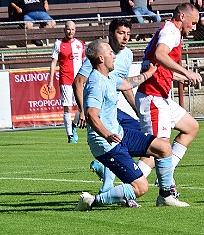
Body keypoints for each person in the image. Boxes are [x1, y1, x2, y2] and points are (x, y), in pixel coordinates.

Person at [73, 39, 177, 211]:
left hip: (120, 134)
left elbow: (128, 83)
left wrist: (150, 72)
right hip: (106, 144)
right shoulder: (95, 83)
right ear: (100, 58)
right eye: (110, 54)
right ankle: (94, 201)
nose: (114, 56)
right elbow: (91, 114)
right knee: (141, 188)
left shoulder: (109, 77)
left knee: (163, 147)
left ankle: (166, 196)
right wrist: (106, 134)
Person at [73, 18, 155, 197]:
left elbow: (123, 84)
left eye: (128, 34)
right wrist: (81, 111)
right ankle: (114, 185)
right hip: (102, 110)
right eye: (120, 33)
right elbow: (78, 82)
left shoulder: (127, 55)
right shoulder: (99, 54)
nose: (125, 38)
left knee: (144, 133)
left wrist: (137, 110)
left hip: (113, 109)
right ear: (111, 35)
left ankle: (122, 176)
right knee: (114, 141)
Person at [135, 3, 203, 207]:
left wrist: (176, 77)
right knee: (157, 148)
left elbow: (157, 64)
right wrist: (185, 72)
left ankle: (167, 173)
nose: (194, 27)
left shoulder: (171, 31)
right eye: (193, 22)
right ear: (182, 16)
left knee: (191, 127)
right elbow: (160, 55)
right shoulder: (171, 31)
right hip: (152, 97)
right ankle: (159, 193)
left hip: (161, 97)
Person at [47, 21, 85, 143]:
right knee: (67, 108)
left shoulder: (80, 44)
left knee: (82, 107)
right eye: (68, 29)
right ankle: (70, 135)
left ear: (75, 30)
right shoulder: (58, 44)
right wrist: (50, 81)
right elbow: (53, 63)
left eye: (73, 29)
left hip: (79, 81)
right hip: (65, 80)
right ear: (64, 30)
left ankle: (73, 125)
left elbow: (85, 62)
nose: (70, 31)